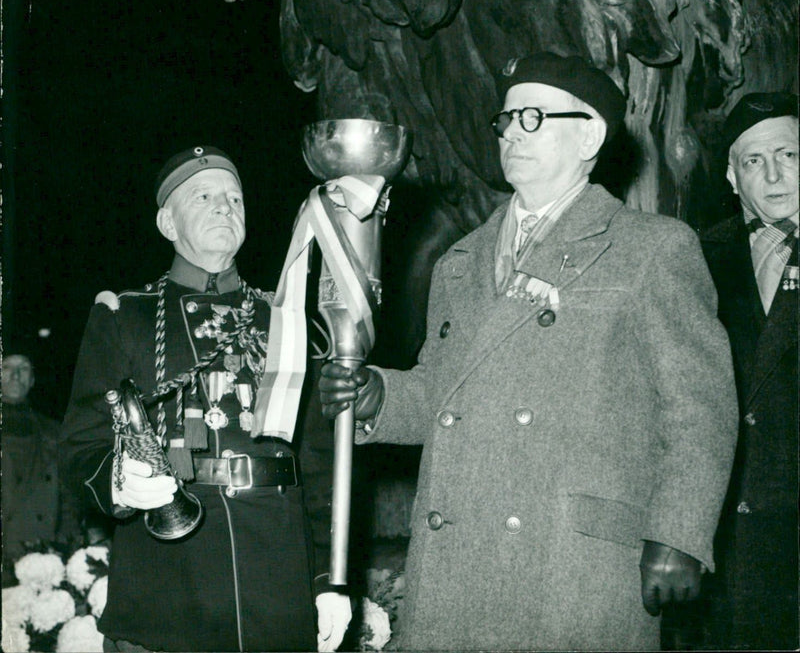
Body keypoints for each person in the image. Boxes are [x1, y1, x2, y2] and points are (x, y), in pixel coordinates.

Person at [320, 52, 739, 652]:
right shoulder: (460, 260)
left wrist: (679, 534)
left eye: (535, 117)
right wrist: (380, 396)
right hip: (454, 565)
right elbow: (445, 392)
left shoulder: (653, 248)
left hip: (572, 567)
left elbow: (699, 407)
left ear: (590, 133)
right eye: (508, 118)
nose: (513, 131)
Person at [60, 145, 352, 653]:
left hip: (277, 580)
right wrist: (120, 481)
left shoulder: (286, 322)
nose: (225, 207)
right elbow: (82, 446)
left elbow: (322, 462)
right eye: (204, 197)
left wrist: (330, 578)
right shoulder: (124, 316)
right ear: (167, 224)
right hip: (169, 584)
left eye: (235, 199)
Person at [700, 92, 798, 651]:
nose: (774, 174)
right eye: (754, 162)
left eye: (788, 154)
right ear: (733, 179)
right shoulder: (696, 255)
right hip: (728, 533)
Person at [2, 348, 80, 582]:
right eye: (6, 367)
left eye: (23, 368)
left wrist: (66, 551)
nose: (16, 375)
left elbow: (69, 501)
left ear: (33, 380)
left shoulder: (53, 433)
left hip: (36, 560)